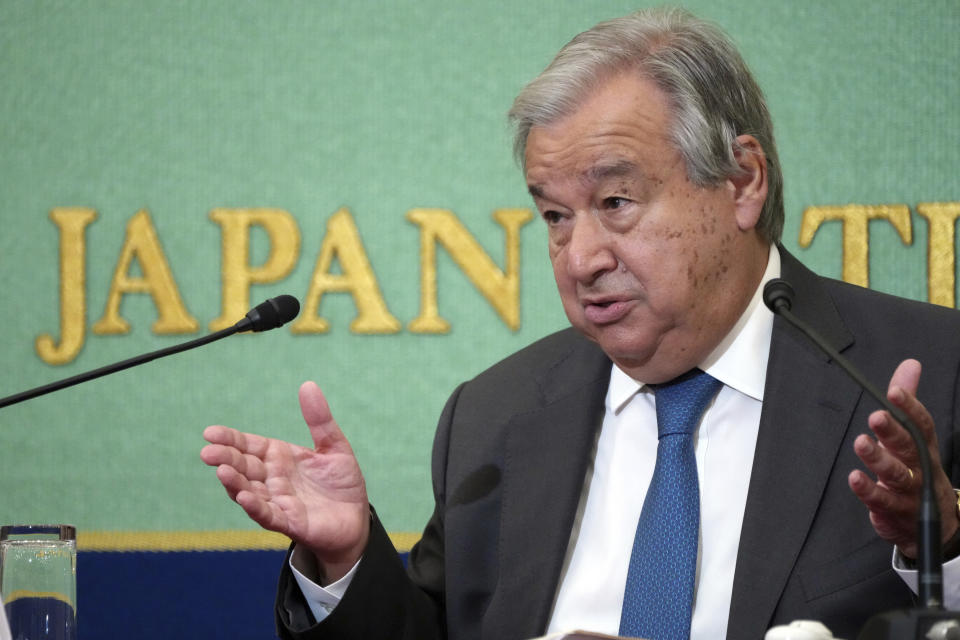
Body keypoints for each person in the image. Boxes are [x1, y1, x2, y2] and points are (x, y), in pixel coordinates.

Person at [200, 7, 960, 639]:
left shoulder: (927, 373)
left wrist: (947, 545)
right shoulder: (494, 417)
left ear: (742, 182)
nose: (581, 255)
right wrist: (349, 561)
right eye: (556, 216)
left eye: (615, 203)